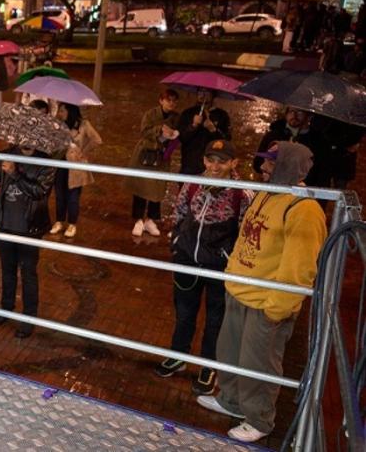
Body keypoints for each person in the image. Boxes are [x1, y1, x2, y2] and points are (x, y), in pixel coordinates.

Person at [197, 141, 327, 443]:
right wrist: (232, 277)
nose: (264, 167)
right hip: (240, 291)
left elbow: (300, 268)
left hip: (265, 303)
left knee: (259, 362)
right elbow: (246, 237)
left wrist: (276, 309)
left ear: (286, 166)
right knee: (229, 354)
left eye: (271, 162)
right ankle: (230, 399)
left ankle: (259, 418)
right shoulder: (267, 195)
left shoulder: (303, 208)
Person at [155, 139, 252, 396]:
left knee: (215, 319)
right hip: (188, 260)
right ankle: (178, 354)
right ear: (204, 160)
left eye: (222, 161)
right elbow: (179, 215)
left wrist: (232, 261)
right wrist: (177, 246)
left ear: (234, 163)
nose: (215, 166)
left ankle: (209, 365)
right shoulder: (193, 184)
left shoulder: (241, 193)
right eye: (211, 160)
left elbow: (245, 233)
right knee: (184, 312)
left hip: (219, 267)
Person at [0, 143, 56, 338]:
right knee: (7, 270)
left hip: (30, 227)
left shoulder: (46, 163)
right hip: (6, 224)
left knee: (28, 273)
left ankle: (28, 318)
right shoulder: (6, 155)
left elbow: (40, 192)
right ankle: (6, 308)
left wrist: (15, 173)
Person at [126, 89, 180, 237]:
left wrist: (174, 135)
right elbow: (144, 131)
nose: (172, 103)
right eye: (168, 100)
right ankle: (138, 219)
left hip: (162, 157)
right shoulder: (150, 114)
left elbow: (178, 135)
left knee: (157, 188)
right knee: (141, 186)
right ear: (161, 100)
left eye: (174, 100)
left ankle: (151, 219)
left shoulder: (176, 117)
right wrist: (160, 130)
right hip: (146, 155)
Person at [49, 103, 102, 238]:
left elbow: (97, 140)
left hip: (76, 166)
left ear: (70, 111)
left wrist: (83, 151)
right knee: (60, 195)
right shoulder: (59, 124)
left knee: (73, 197)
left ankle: (72, 224)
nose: (60, 113)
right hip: (60, 163)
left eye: (62, 110)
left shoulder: (83, 124)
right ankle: (59, 221)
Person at [176, 89, 231, 176]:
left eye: (206, 93)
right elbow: (181, 138)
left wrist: (213, 129)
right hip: (190, 164)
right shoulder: (187, 113)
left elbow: (226, 141)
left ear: (213, 95)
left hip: (212, 166)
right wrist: (193, 125)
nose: (203, 95)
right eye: (200, 92)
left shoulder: (222, 115)